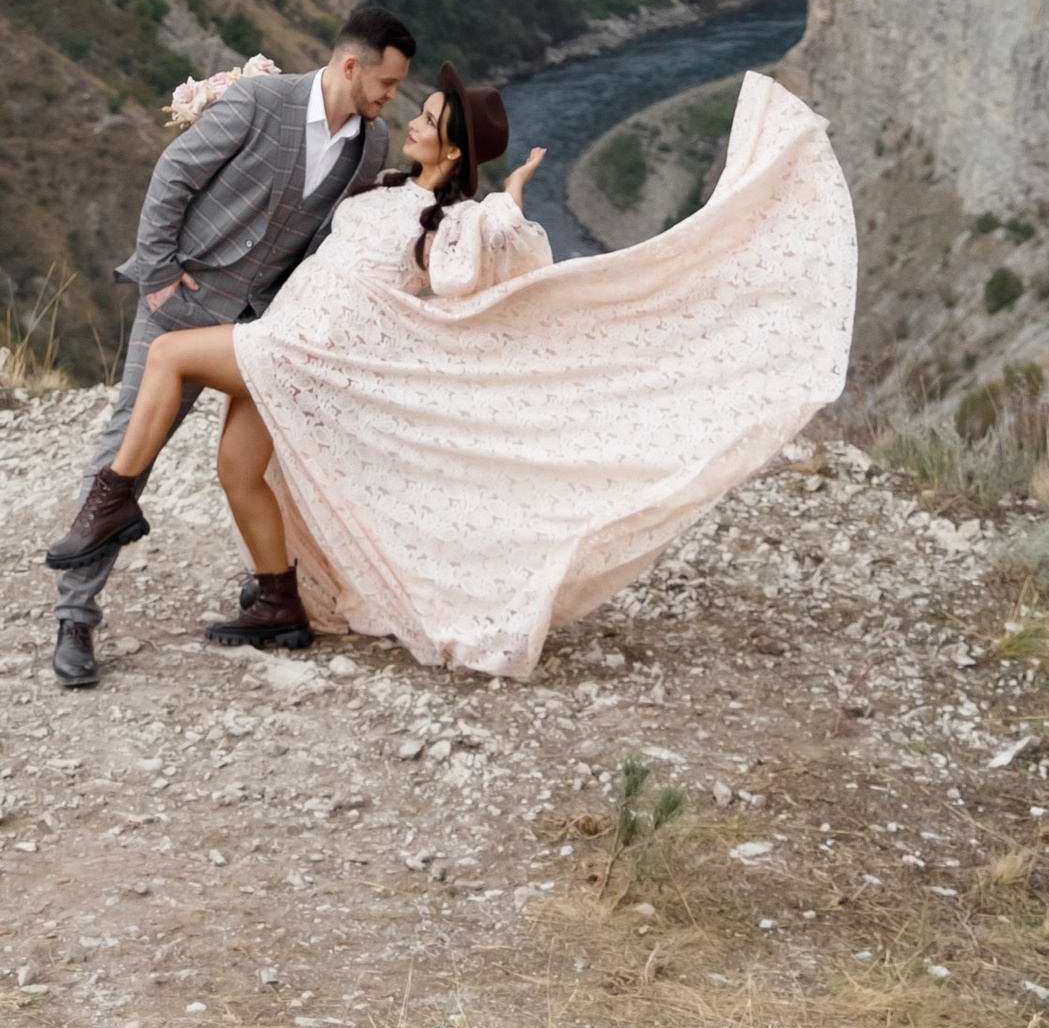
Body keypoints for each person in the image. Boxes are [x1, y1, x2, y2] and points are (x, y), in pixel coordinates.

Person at [45, 59, 857, 680]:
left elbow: (474, 273)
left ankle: (113, 502)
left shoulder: (448, 219)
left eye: (428, 118)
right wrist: (245, 103)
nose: (411, 119)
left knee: (172, 354)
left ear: (453, 147)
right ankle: (279, 602)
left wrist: (509, 203)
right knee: (237, 468)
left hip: (310, 351)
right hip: (288, 336)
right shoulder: (379, 180)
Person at [45, 4, 414, 688]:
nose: (391, 96)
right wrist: (158, 278)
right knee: (126, 455)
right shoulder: (258, 101)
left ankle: (272, 590)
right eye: (386, 83)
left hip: (264, 327)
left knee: (264, 461)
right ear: (351, 66)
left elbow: (340, 235)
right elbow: (173, 176)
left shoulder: (374, 143)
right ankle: (76, 617)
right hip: (183, 308)